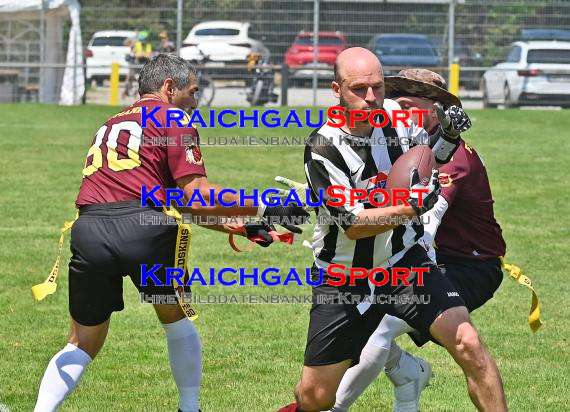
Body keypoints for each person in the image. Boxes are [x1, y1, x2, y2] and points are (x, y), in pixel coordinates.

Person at [33, 54, 307, 412]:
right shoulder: (173, 117)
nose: (195, 103)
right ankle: (189, 408)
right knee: (175, 320)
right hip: (144, 232)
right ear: (168, 87)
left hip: (89, 229)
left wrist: (236, 224)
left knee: (81, 341)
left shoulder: (112, 121)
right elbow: (196, 194)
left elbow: (176, 202)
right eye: (192, 92)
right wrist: (266, 205)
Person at [277, 48, 507, 412]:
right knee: (315, 396)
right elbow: (354, 227)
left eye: (377, 87)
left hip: (404, 263)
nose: (371, 98)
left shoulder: (399, 119)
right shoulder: (324, 148)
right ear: (337, 89)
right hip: (344, 277)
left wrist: (446, 134)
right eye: (358, 89)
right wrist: (412, 206)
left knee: (469, 345)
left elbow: (430, 156)